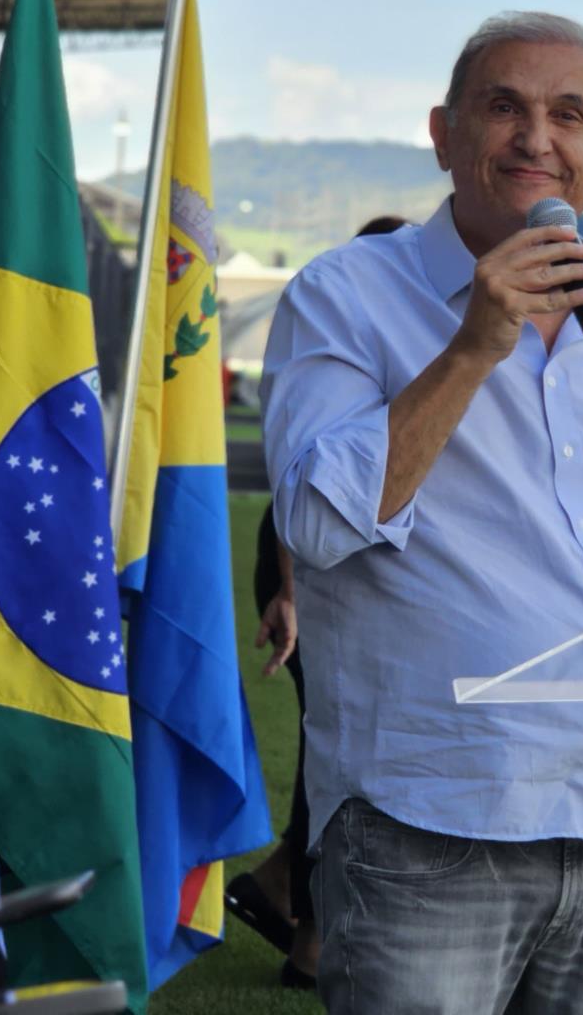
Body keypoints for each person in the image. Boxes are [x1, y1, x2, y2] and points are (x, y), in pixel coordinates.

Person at [261, 11, 583, 1013]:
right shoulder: (344, 296)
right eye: (504, 107)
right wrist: (470, 347)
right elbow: (318, 526)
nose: (537, 137)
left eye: (568, 115)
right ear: (444, 135)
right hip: (429, 830)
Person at [226, 215, 411, 992]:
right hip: (306, 559)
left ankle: (277, 892)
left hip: (338, 563)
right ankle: (306, 935)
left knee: (329, 746)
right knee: (329, 747)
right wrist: (293, 597)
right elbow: (302, 484)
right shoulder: (346, 332)